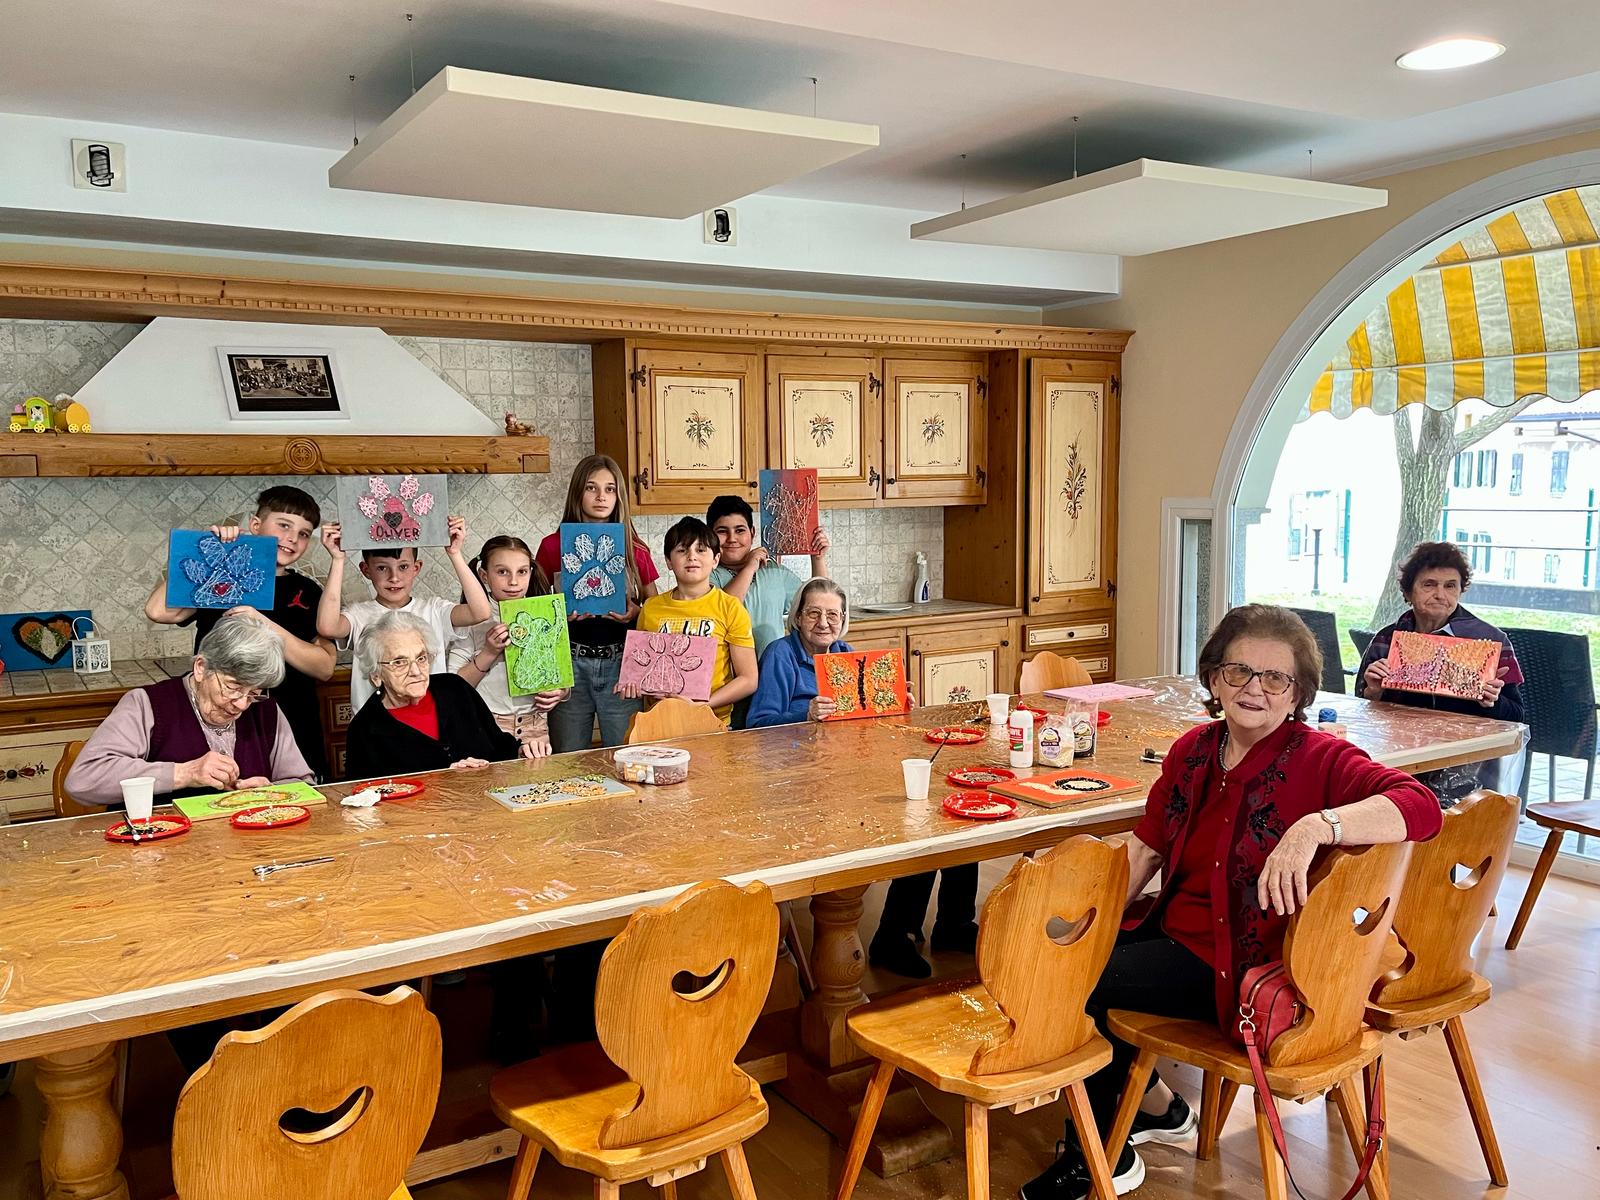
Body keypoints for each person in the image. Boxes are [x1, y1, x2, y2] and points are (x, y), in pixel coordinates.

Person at [1020, 605, 1443, 1200]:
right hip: (1178, 932)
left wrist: (1315, 826)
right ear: (1214, 679)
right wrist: (1089, 925)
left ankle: (1102, 1157)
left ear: (1297, 693)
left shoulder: (1319, 758)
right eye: (1238, 671)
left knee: (1085, 982)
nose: (1254, 688)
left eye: (1275, 677)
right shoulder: (1194, 750)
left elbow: (1421, 806)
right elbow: (1145, 850)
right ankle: (1156, 1107)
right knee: (1065, 958)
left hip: (1243, 966)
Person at [143, 485, 335, 779]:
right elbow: (157, 611)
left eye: (304, 533)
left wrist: (263, 623)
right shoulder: (223, 576)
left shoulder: (308, 591)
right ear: (256, 525)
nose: (293, 538)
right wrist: (207, 551)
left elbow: (324, 667)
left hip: (293, 720)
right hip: (220, 719)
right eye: (284, 525)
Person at [66, 614, 314, 803]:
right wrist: (184, 773)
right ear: (201, 668)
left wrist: (271, 792)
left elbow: (304, 785)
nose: (241, 704)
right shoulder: (147, 704)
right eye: (233, 687)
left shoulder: (266, 711)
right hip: (159, 850)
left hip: (251, 848)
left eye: (254, 693)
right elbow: (83, 779)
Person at [1354, 540, 1525, 803]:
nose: (1440, 594)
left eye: (1450, 586)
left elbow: (1517, 715)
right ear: (1408, 592)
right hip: (1398, 761)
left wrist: (1491, 702)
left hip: (1466, 765)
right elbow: (1361, 714)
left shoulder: (1489, 642)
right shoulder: (1387, 640)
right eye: (1429, 584)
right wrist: (1373, 693)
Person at [535, 454, 660, 752]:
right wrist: (558, 615)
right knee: (567, 756)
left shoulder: (634, 547)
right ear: (577, 493)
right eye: (591, 488)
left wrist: (636, 612)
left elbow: (655, 605)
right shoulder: (552, 546)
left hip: (621, 664)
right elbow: (535, 607)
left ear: (619, 496)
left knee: (626, 755)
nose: (601, 497)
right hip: (568, 663)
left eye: (610, 489)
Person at [317, 513, 493, 715]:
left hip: (429, 721)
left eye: (403, 567)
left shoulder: (434, 610)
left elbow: (480, 612)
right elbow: (327, 627)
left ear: (416, 568)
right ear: (366, 570)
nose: (394, 577)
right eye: (382, 568)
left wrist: (455, 553)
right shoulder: (359, 615)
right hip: (377, 726)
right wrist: (338, 559)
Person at [343, 611, 534, 780]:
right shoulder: (365, 729)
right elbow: (366, 798)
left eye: (421, 658)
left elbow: (502, 749)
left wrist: (524, 752)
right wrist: (443, 779)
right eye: (399, 662)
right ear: (376, 675)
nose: (416, 671)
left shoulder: (455, 689)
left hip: (488, 804)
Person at [628, 517, 757, 726]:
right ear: (668, 561)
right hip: (659, 722)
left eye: (701, 550)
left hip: (712, 722)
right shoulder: (651, 608)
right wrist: (633, 684)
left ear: (715, 559)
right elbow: (641, 669)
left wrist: (702, 705)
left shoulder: (730, 607)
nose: (692, 556)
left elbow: (748, 679)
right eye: (682, 550)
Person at [449, 535, 567, 759]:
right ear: (484, 575)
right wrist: (489, 652)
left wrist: (560, 693)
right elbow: (454, 687)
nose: (513, 582)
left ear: (530, 572)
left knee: (536, 780)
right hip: (486, 725)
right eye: (502, 572)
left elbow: (561, 674)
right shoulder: (469, 618)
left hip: (535, 727)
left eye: (522, 572)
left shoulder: (544, 614)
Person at [706, 495, 830, 655]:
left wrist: (817, 558)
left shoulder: (773, 570)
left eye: (740, 530)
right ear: (710, 536)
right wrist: (750, 567)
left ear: (752, 533)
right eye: (722, 531)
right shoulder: (706, 574)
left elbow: (818, 599)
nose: (732, 538)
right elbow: (723, 612)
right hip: (727, 668)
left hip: (773, 665)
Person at [745, 577, 852, 728]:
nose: (823, 623)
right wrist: (806, 716)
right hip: (795, 742)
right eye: (813, 613)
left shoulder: (846, 653)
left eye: (832, 615)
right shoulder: (780, 654)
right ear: (798, 617)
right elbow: (758, 724)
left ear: (842, 619)